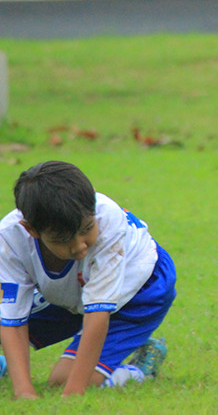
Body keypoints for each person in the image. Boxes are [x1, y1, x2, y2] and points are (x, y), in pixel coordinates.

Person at [0, 161, 176, 399]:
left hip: (142, 291)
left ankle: (139, 368)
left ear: (92, 201)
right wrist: (23, 392)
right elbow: (11, 318)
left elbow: (97, 313)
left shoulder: (110, 223)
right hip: (73, 289)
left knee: (61, 381)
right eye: (62, 239)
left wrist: (73, 393)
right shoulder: (10, 237)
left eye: (87, 228)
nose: (80, 245)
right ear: (31, 230)